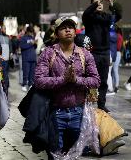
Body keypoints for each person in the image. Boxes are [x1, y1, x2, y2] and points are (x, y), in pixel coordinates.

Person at [34, 17, 100, 155]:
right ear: (57, 33)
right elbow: (39, 80)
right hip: (55, 112)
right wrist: (63, 79)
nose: (68, 30)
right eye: (63, 28)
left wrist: (76, 80)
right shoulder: (48, 53)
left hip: (78, 112)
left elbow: (96, 80)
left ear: (75, 32)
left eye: (71, 27)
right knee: (55, 153)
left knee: (74, 153)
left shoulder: (85, 54)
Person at [82, 0, 121, 113]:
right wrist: (98, 0)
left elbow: (118, 16)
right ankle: (87, 103)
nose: (99, 4)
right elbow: (86, 12)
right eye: (96, 3)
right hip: (92, 53)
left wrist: (112, 4)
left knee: (103, 80)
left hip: (105, 53)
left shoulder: (106, 18)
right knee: (91, 79)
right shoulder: (89, 18)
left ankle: (101, 104)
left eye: (101, 3)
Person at [19, 26, 37, 92]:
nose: (31, 33)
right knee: (26, 73)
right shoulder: (23, 38)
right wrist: (30, 44)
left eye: (32, 32)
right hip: (26, 59)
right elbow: (22, 46)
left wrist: (35, 44)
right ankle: (24, 85)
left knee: (32, 74)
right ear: (28, 31)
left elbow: (34, 47)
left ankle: (30, 84)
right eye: (31, 32)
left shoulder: (33, 38)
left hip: (33, 58)